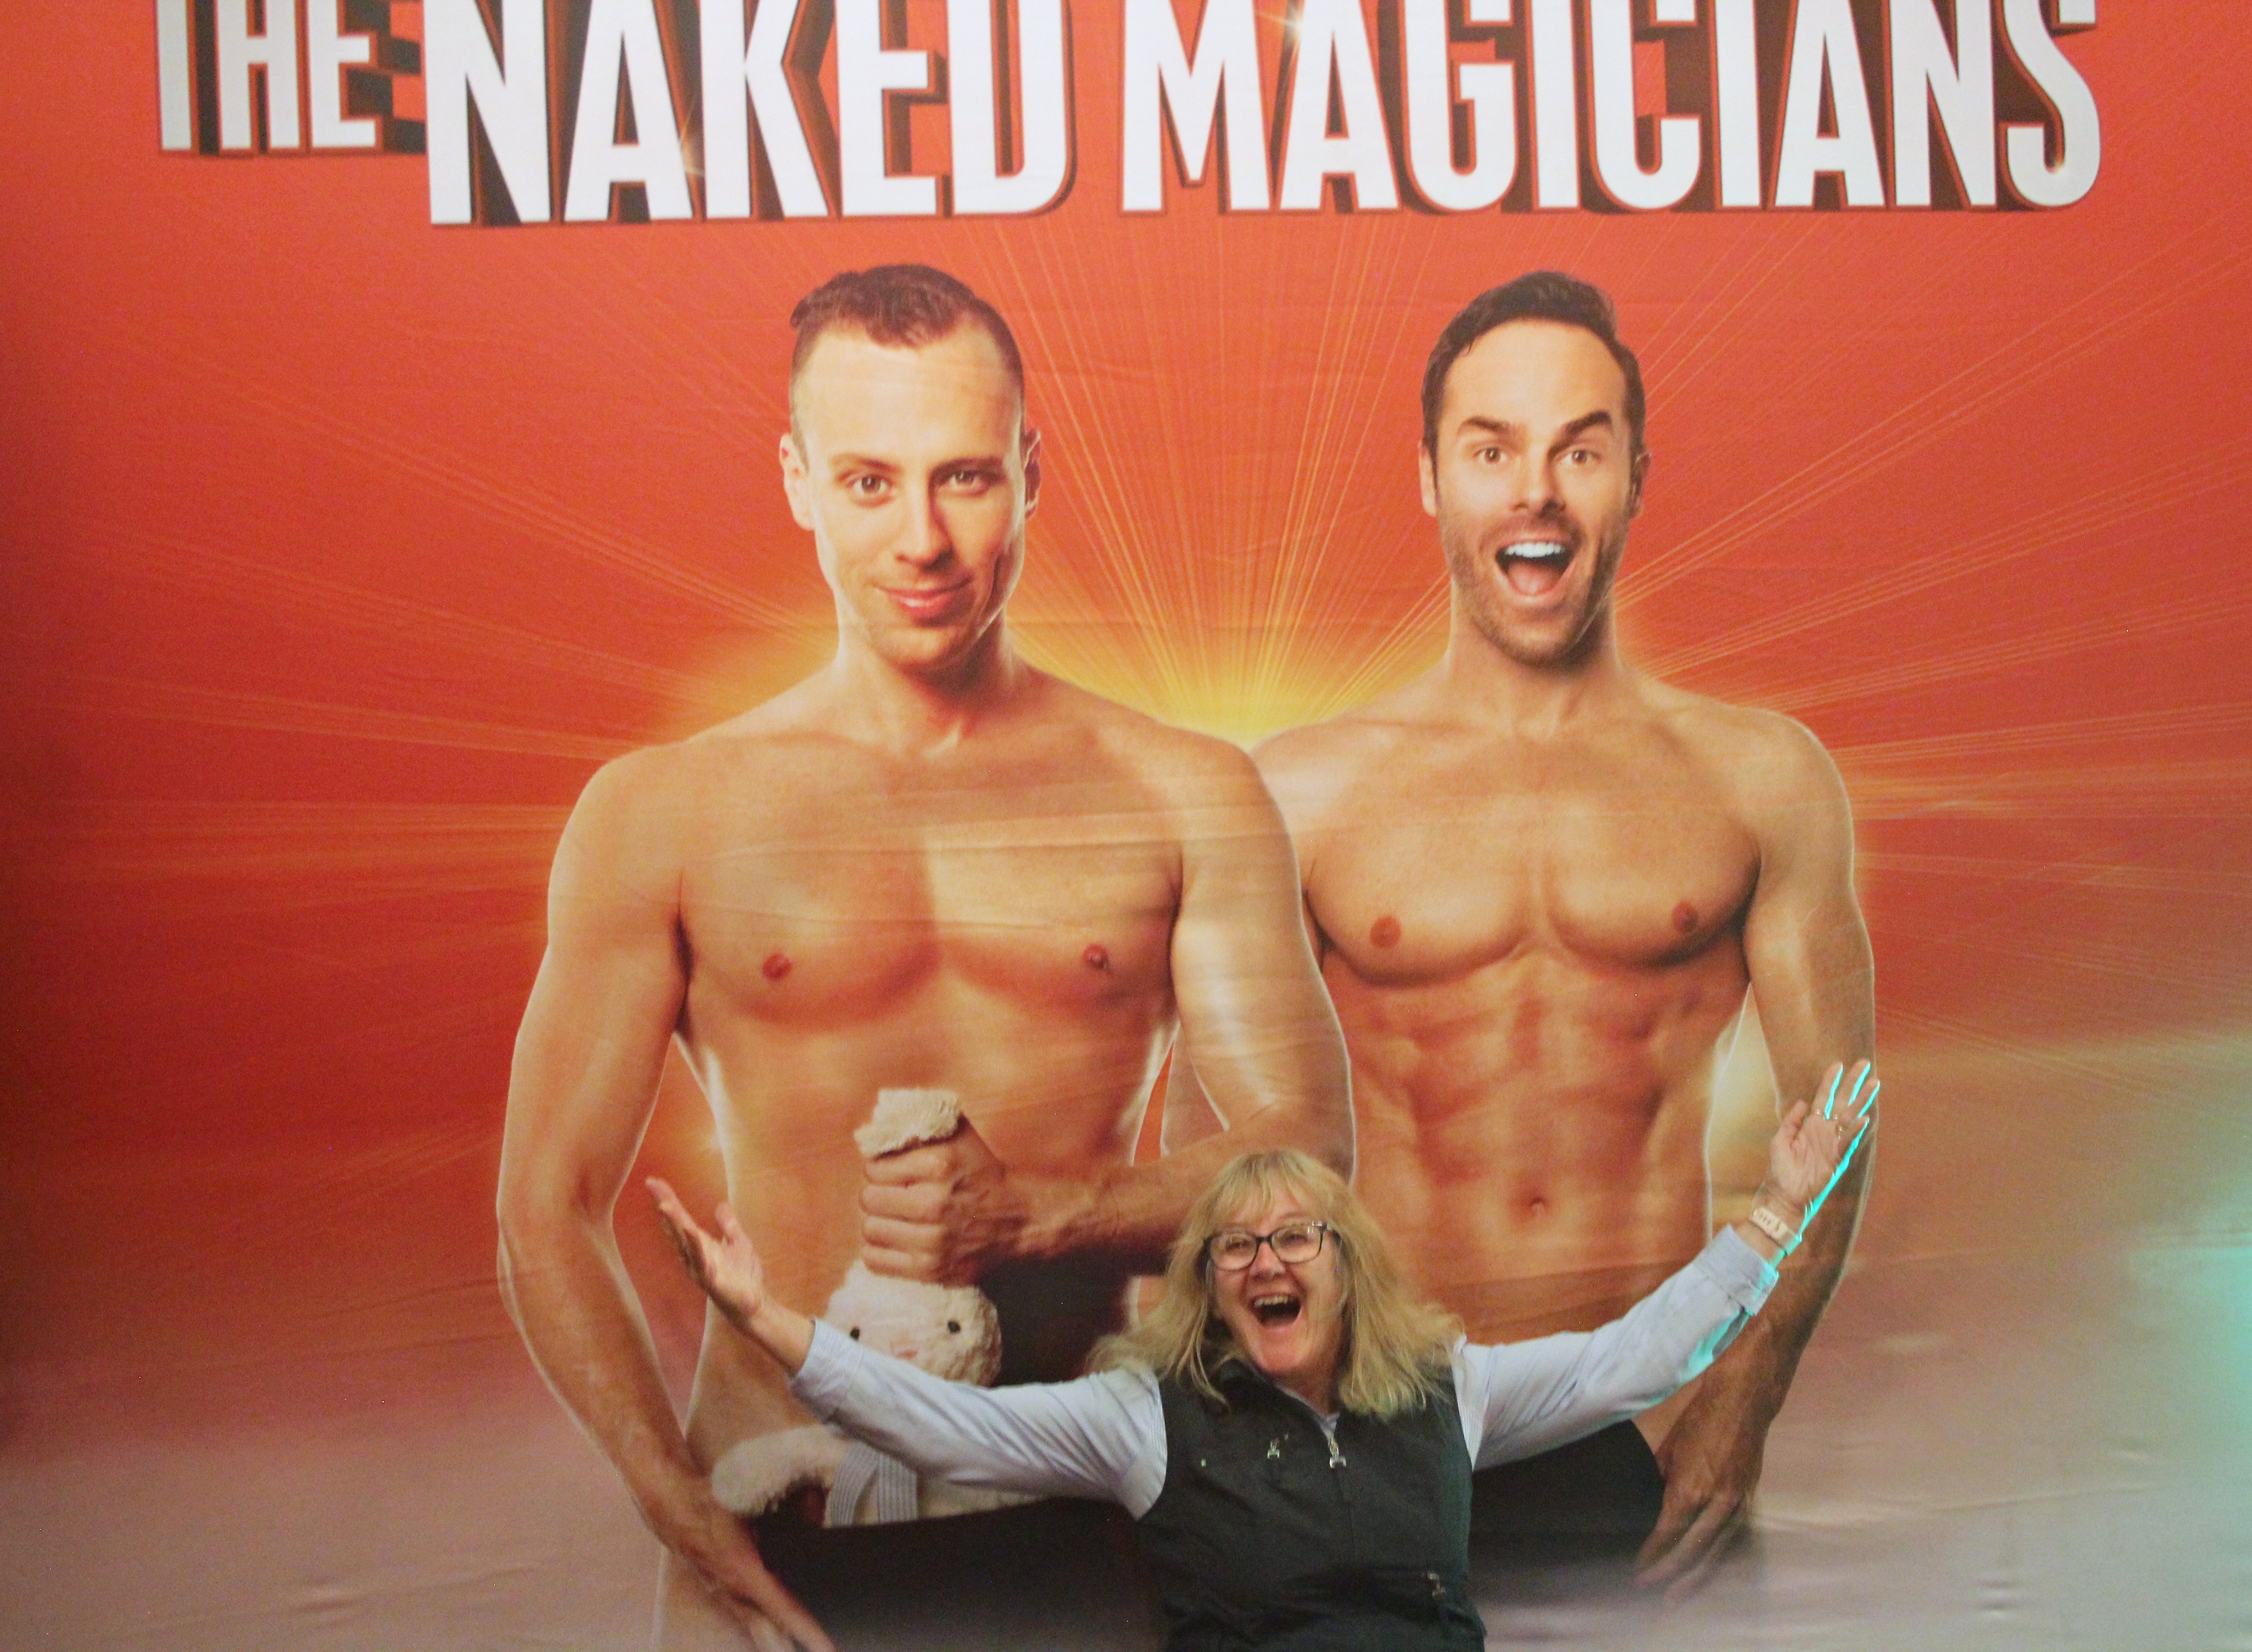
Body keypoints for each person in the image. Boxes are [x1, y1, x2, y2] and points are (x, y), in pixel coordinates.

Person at [496, 266, 1351, 1652]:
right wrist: (678, 1505)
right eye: (868, 483)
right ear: (797, 482)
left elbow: (1304, 1149)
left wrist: (1039, 1220)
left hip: (1085, 1504)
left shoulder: (1181, 792)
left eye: (964, 477)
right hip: (778, 1507)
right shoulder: (662, 813)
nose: (923, 539)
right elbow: (546, 1202)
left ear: (1029, 473)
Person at [1165, 270, 1877, 1590]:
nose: (1535, 491)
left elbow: (1839, 1115)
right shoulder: (1301, 791)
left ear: (1635, 479)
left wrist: (1742, 1401)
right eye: (1490, 450)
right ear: (1430, 479)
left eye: (1579, 451)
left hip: (1645, 1435)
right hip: (1367, 1433)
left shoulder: (1757, 777)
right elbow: (1200, 1165)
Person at [652, 1066, 1875, 1651]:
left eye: (1294, 1238)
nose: (1264, 1261)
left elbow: (1632, 1362)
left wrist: (1778, 1213)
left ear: (1344, 1266)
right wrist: (765, 1319)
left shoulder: (1452, 1394)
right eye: (1233, 1247)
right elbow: (942, 1428)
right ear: (1208, 1286)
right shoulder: (1144, 1418)